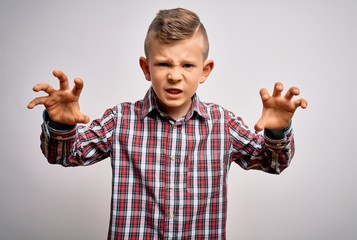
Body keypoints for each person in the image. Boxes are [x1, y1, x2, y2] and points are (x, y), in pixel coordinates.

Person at [27, 7, 307, 240]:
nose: (175, 76)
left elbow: (273, 163)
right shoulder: (120, 120)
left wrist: (276, 131)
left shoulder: (223, 124)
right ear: (146, 68)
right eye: (163, 64)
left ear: (205, 71)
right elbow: (63, 156)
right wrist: (61, 127)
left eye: (187, 65)